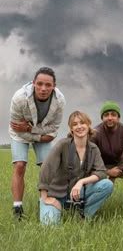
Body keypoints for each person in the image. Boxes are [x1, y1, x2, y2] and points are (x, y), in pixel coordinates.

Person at [9, 67, 65, 220]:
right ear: (33, 83)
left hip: (39, 134)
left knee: (47, 167)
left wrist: (30, 128)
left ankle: (45, 202)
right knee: (19, 165)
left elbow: (52, 131)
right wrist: (39, 133)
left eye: (48, 85)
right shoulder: (19, 98)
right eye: (39, 84)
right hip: (20, 135)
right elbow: (16, 127)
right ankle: (17, 208)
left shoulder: (60, 101)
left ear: (54, 86)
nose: (43, 88)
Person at [38, 110, 113, 225]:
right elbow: (45, 169)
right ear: (71, 129)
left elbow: (102, 172)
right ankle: (48, 205)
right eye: (75, 124)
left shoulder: (93, 149)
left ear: (88, 125)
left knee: (107, 185)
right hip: (56, 195)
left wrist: (81, 182)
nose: (79, 127)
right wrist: (46, 198)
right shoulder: (63, 145)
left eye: (82, 123)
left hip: (78, 194)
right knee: (49, 226)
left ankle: (83, 216)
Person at [91, 100, 123, 181]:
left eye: (113, 115)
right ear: (102, 118)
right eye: (106, 115)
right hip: (101, 166)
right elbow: (91, 159)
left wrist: (121, 169)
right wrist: (108, 172)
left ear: (118, 118)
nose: (110, 118)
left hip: (121, 164)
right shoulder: (95, 134)